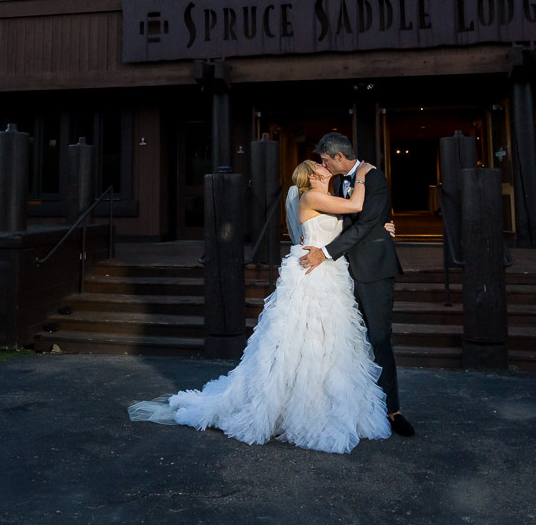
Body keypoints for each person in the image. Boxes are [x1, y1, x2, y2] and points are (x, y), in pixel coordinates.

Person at [128, 159, 392, 453]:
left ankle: (325, 401)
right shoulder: (312, 196)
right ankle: (294, 407)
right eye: (319, 163)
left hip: (330, 274)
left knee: (330, 340)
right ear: (314, 174)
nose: (324, 164)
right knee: (302, 339)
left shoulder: (327, 198)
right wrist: (364, 175)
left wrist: (381, 226)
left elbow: (351, 225)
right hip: (311, 274)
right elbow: (356, 206)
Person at [300, 132, 413, 437]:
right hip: (342, 272)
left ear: (338, 156)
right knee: (349, 342)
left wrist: (324, 251)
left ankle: (393, 410)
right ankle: (358, 405)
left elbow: (365, 224)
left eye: (324, 159)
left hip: (373, 269)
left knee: (378, 338)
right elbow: (348, 217)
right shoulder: (337, 182)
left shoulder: (373, 177)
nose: (322, 165)